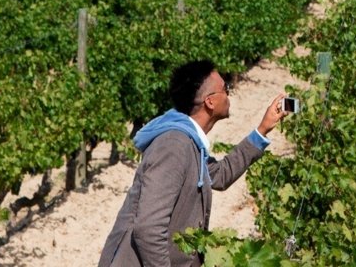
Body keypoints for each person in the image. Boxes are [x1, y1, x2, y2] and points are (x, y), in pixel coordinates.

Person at [99, 60, 287, 266]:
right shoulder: (173, 146)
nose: (229, 93)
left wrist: (262, 130)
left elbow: (219, 175)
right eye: (225, 88)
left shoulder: (189, 142)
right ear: (210, 102)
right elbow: (149, 228)